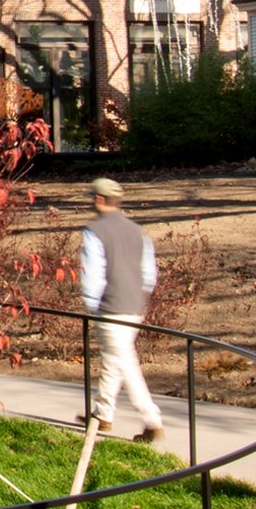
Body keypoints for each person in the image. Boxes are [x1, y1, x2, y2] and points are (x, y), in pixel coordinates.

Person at [78, 179, 164, 444]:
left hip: (111, 305)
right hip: (133, 305)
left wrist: (92, 303)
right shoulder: (138, 232)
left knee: (125, 362)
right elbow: (149, 274)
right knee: (114, 359)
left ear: (100, 200)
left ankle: (152, 419)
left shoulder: (94, 231)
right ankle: (102, 413)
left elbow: (92, 272)